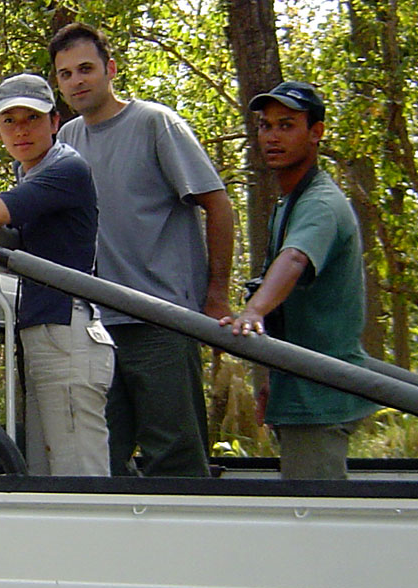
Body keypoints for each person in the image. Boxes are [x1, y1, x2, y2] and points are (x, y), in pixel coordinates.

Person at [48, 23, 235, 478]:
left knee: (174, 457)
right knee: (101, 458)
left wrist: (216, 294)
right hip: (96, 328)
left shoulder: (155, 124)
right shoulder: (66, 141)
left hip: (162, 319)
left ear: (110, 70)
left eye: (86, 68)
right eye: (66, 73)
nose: (77, 81)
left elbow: (218, 204)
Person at [220, 80, 379, 479]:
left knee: (317, 524)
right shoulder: (288, 202)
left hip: (319, 396)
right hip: (298, 389)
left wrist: (253, 311)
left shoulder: (321, 203)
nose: (272, 137)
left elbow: (294, 260)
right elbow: (291, 304)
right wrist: (276, 377)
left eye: (287, 125)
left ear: (316, 133)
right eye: (265, 126)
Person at [0, 73, 114, 477]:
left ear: (55, 122)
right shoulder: (33, 172)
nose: (20, 130)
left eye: (32, 119)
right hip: (47, 332)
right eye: (9, 121)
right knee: (45, 471)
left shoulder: (66, 168)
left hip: (66, 333)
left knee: (77, 476)